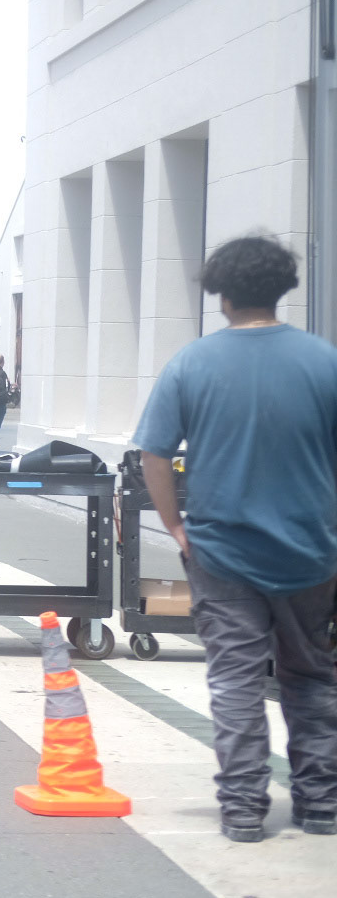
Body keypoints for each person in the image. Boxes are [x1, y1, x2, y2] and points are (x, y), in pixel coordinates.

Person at [134, 235, 337, 843]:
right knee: (311, 676)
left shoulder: (192, 364)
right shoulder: (324, 362)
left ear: (221, 294)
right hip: (311, 551)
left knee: (235, 681)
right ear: (282, 289)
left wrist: (175, 524)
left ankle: (244, 809)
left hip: (221, 552)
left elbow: (153, 454)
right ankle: (321, 804)